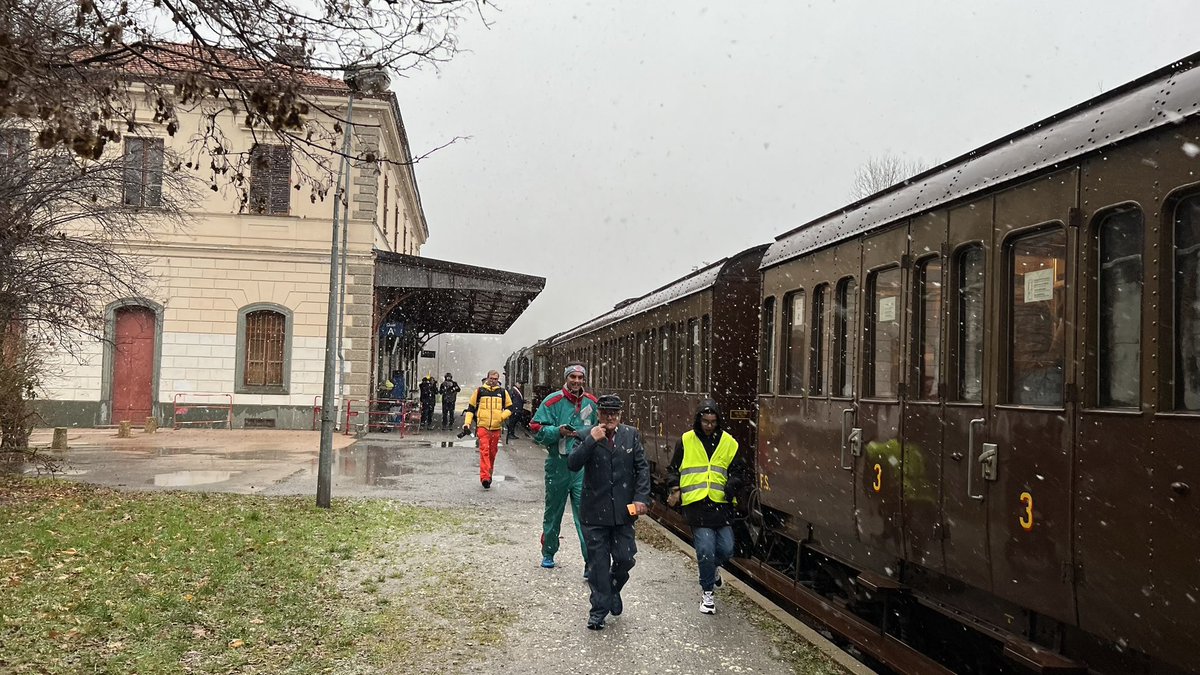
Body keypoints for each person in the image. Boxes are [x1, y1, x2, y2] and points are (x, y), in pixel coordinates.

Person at [568, 394, 650, 630]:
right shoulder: (586, 435)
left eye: (614, 413)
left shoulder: (630, 435)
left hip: (623, 513)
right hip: (594, 513)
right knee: (598, 565)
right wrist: (590, 442)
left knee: (625, 558)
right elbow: (572, 464)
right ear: (598, 414)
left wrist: (641, 498)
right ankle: (598, 610)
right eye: (605, 413)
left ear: (620, 415)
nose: (610, 417)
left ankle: (614, 587)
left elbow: (642, 469)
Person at [666, 399, 747, 615]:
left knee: (727, 549)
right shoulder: (686, 440)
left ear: (718, 422)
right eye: (705, 421)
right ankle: (708, 593)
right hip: (697, 506)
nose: (709, 425)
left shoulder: (729, 443)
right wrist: (675, 488)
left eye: (712, 421)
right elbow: (673, 468)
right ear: (698, 420)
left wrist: (732, 485)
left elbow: (740, 472)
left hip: (722, 504)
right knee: (705, 550)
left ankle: (712, 570)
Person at [530, 363, 597, 570]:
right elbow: (535, 428)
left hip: (582, 469)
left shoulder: (592, 403)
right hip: (558, 465)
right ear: (566, 378)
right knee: (553, 512)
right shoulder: (553, 401)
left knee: (586, 515)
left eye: (580, 378)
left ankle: (591, 562)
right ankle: (548, 551)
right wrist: (557, 431)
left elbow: (600, 429)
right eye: (573, 377)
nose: (577, 381)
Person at [462, 370, 512, 489]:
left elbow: (510, 408)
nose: (493, 380)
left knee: (492, 453)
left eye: (495, 379)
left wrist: (501, 417)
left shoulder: (503, 392)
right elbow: (470, 409)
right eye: (491, 378)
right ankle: (485, 477)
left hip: (496, 428)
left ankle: (488, 474)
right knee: (484, 451)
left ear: (498, 379)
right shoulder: (479, 391)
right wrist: (467, 423)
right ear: (487, 378)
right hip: (483, 427)